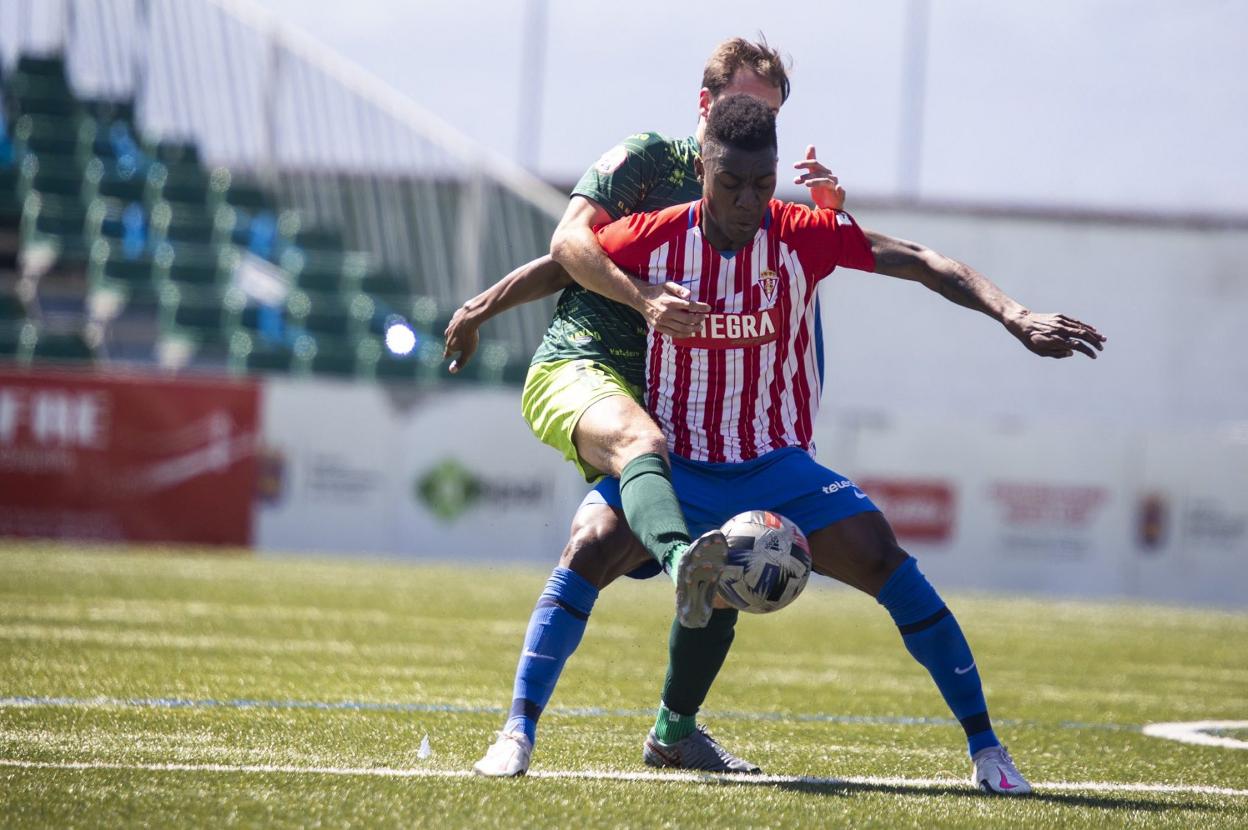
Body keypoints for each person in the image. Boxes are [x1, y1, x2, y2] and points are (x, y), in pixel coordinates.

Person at [487, 94, 1107, 793]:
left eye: (761, 183)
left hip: (775, 465)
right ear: (705, 173)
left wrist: (1016, 315)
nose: (748, 200)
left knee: (885, 559)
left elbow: (925, 261)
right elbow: (565, 261)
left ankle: (989, 751)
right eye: (731, 184)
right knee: (587, 544)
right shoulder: (656, 235)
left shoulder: (802, 234)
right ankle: (517, 731)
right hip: (676, 464)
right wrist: (483, 307)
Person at [463, 38, 837, 776]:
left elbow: (791, 289)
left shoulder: (750, 196)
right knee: (641, 474)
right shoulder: (649, 161)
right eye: (747, 106)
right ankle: (517, 729)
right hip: (587, 367)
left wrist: (829, 218)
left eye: (771, 117)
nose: (756, 125)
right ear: (706, 105)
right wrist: (486, 306)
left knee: (712, 550)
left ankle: (675, 730)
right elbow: (570, 246)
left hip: (666, 405)